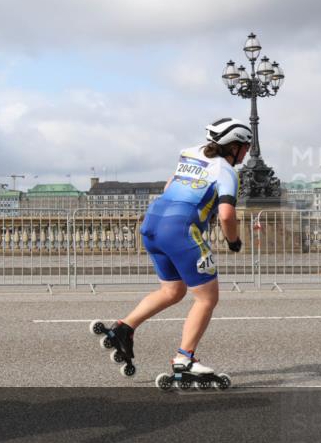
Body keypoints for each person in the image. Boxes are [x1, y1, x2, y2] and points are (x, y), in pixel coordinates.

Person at [101, 117, 251, 386]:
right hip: (181, 230)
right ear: (234, 147)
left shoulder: (189, 153)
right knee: (206, 298)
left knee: (172, 291)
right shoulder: (226, 171)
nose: (247, 153)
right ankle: (185, 358)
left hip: (152, 223)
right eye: (246, 147)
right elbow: (227, 214)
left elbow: (170, 185)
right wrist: (233, 241)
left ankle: (123, 328)